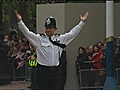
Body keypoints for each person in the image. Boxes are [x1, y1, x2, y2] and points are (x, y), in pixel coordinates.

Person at [15, 10, 89, 90]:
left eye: (50, 28)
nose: (48, 30)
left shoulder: (60, 39)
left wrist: (82, 22)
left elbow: (72, 34)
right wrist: (20, 21)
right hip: (43, 72)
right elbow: (27, 33)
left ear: (55, 29)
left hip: (56, 72)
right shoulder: (39, 39)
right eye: (46, 28)